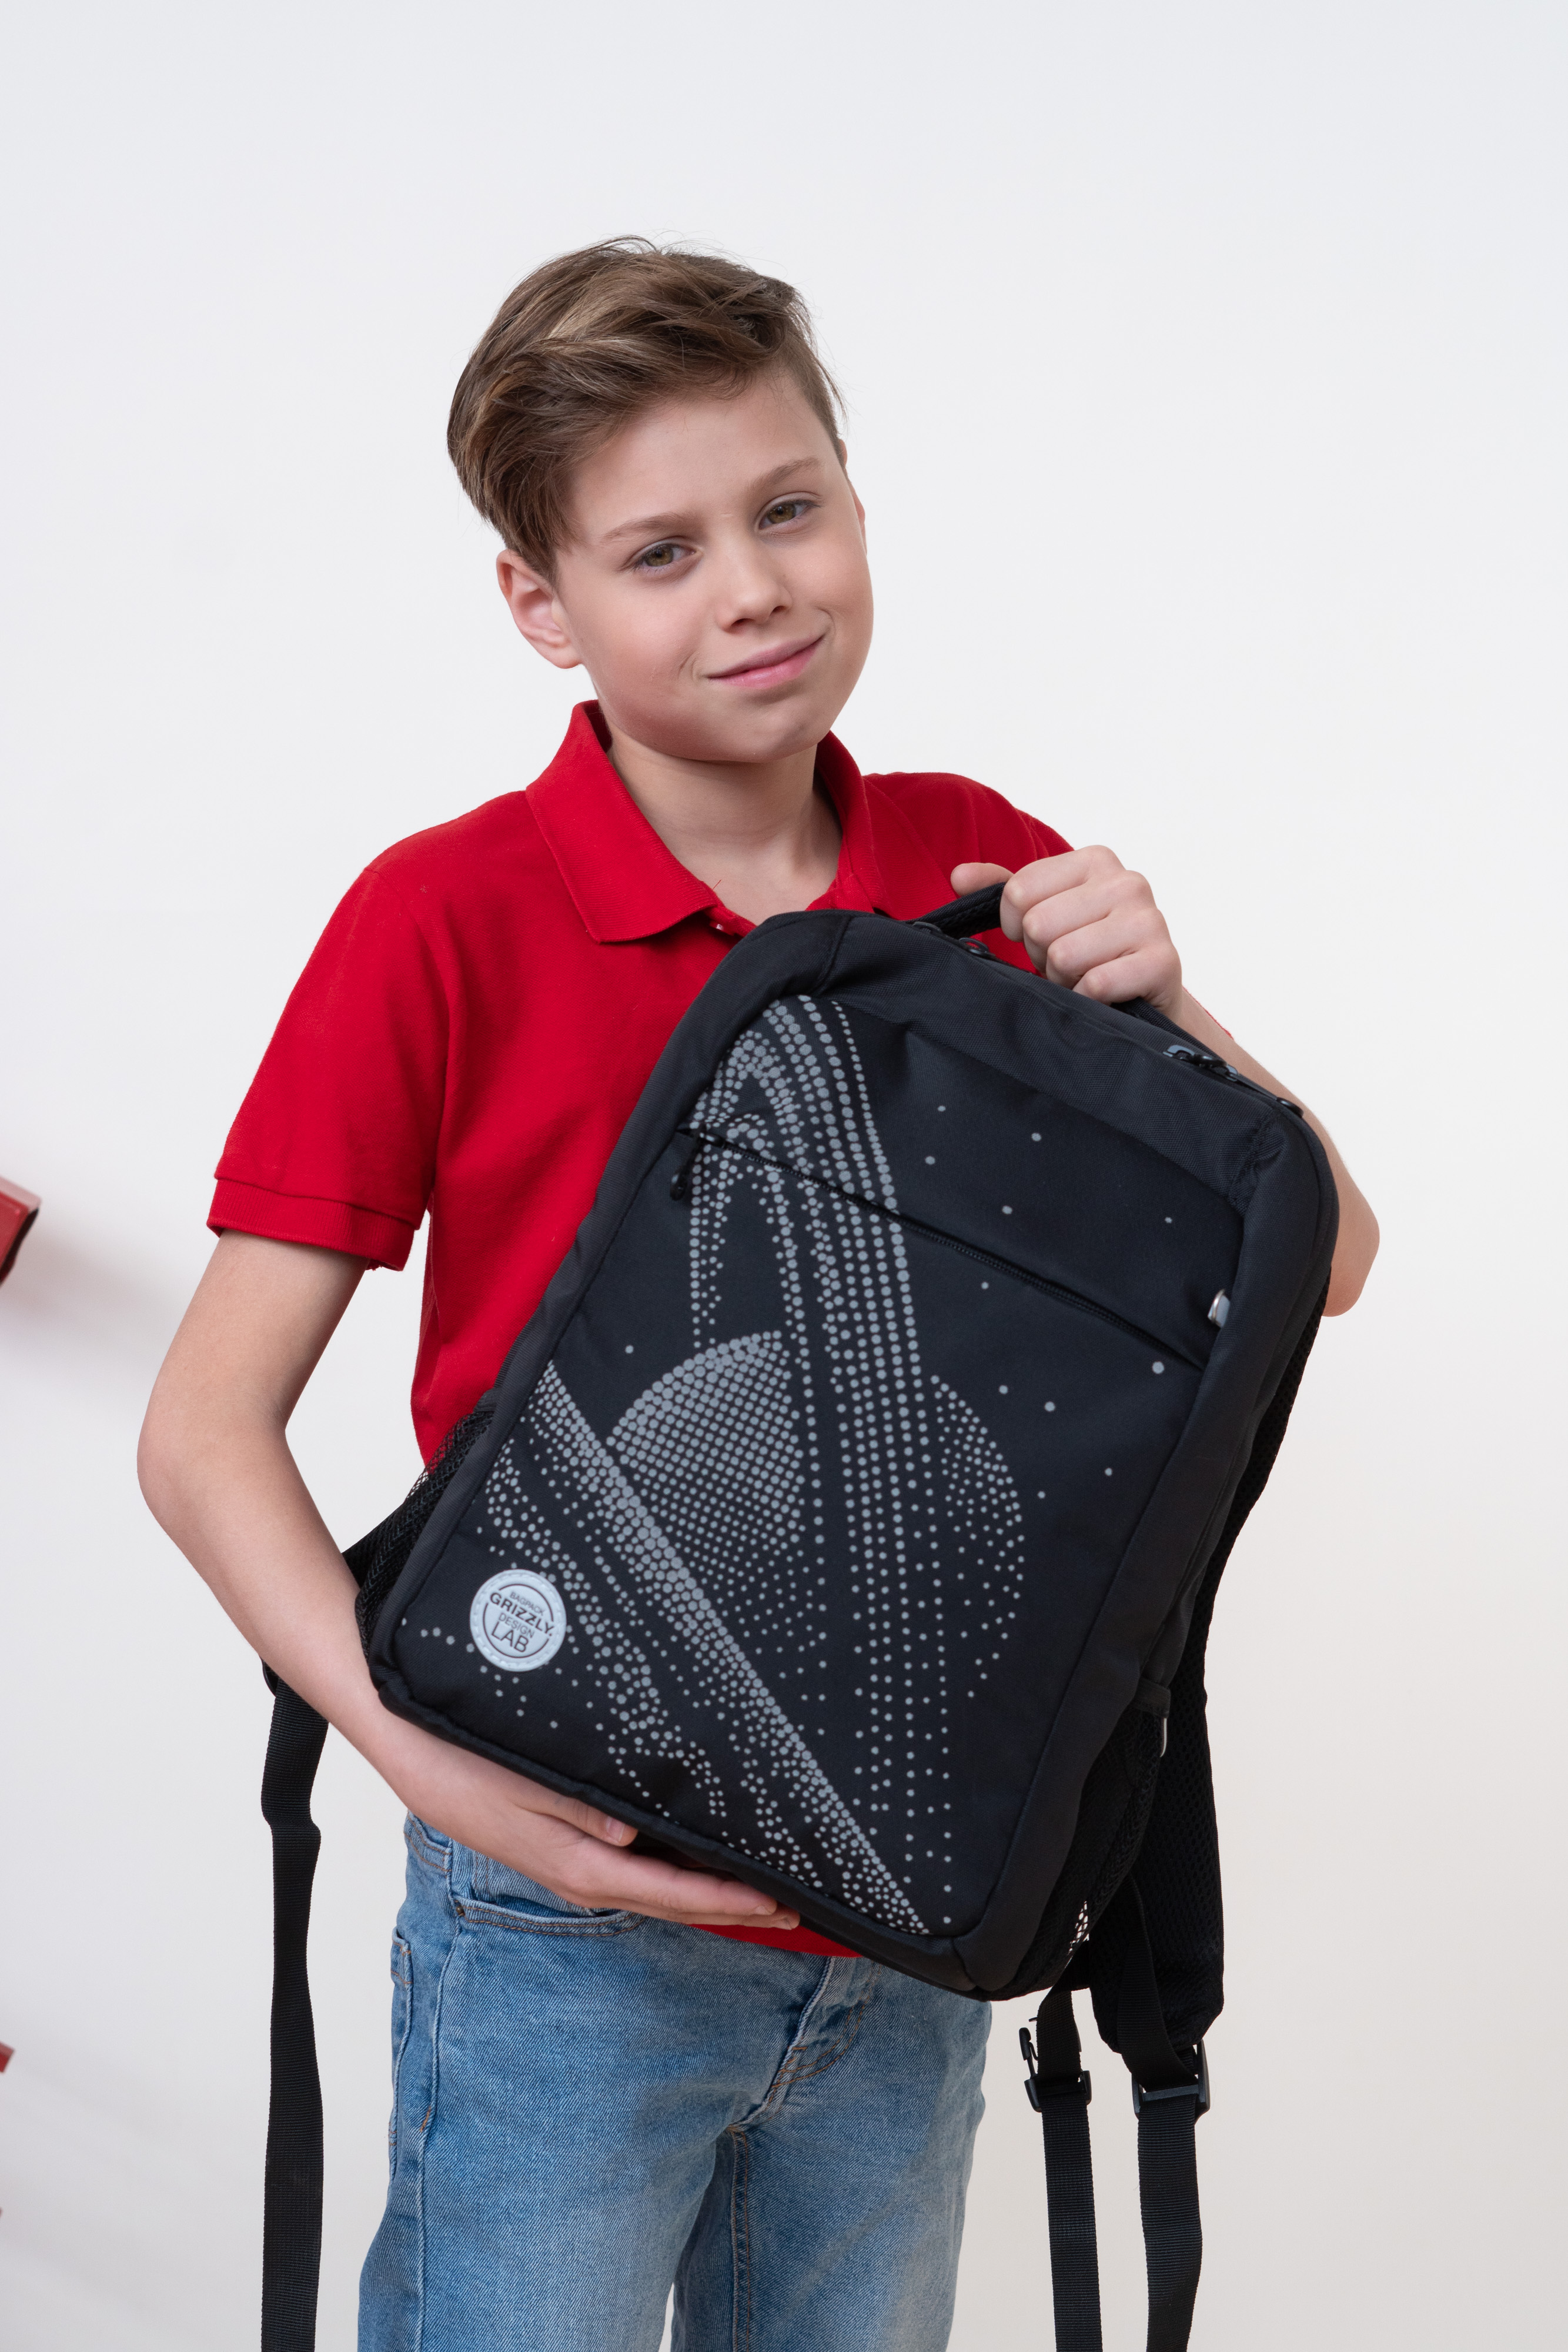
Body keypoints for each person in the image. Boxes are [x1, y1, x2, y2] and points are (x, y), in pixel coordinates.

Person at [139, 239, 1378, 2352]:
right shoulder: (441, 918)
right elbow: (201, 1431)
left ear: (855, 502)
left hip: (907, 1907)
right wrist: (424, 1764)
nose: (751, 589)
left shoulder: (980, 868)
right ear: (541, 602)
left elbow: (1321, 1264)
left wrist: (1165, 1002)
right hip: (556, 1915)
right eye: (660, 550)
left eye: (788, 507)